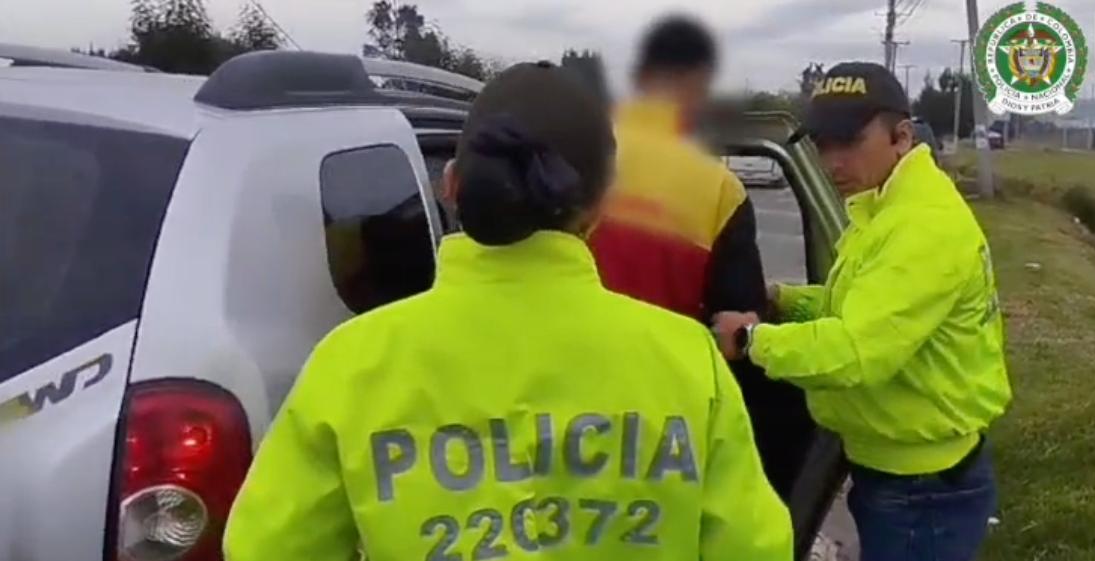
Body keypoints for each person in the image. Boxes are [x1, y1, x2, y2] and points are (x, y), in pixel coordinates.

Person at [223, 62, 792, 561]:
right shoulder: (688, 363)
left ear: (451, 185)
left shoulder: (350, 364)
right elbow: (755, 548)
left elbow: (265, 547)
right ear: (599, 208)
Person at [712, 61, 1013, 561]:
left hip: (923, 491)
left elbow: (854, 351)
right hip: (908, 475)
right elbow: (858, 308)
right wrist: (785, 299)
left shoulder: (922, 229)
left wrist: (751, 340)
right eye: (824, 145)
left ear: (900, 135)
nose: (833, 162)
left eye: (850, 142)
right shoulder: (886, 209)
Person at [587, 13, 815, 500]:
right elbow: (738, 327)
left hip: (556, 417)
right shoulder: (716, 188)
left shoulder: (572, 158)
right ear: (698, 83)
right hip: (664, 430)